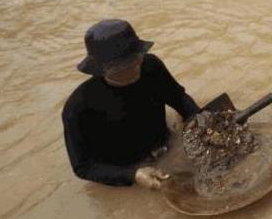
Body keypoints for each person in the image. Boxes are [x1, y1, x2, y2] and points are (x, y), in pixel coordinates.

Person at [62, 19, 200, 189]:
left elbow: (179, 98)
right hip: (124, 170)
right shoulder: (78, 107)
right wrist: (132, 174)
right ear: (101, 69)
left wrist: (196, 119)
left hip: (166, 145)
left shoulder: (151, 66)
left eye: (135, 59)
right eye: (121, 67)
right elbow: (83, 167)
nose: (134, 67)